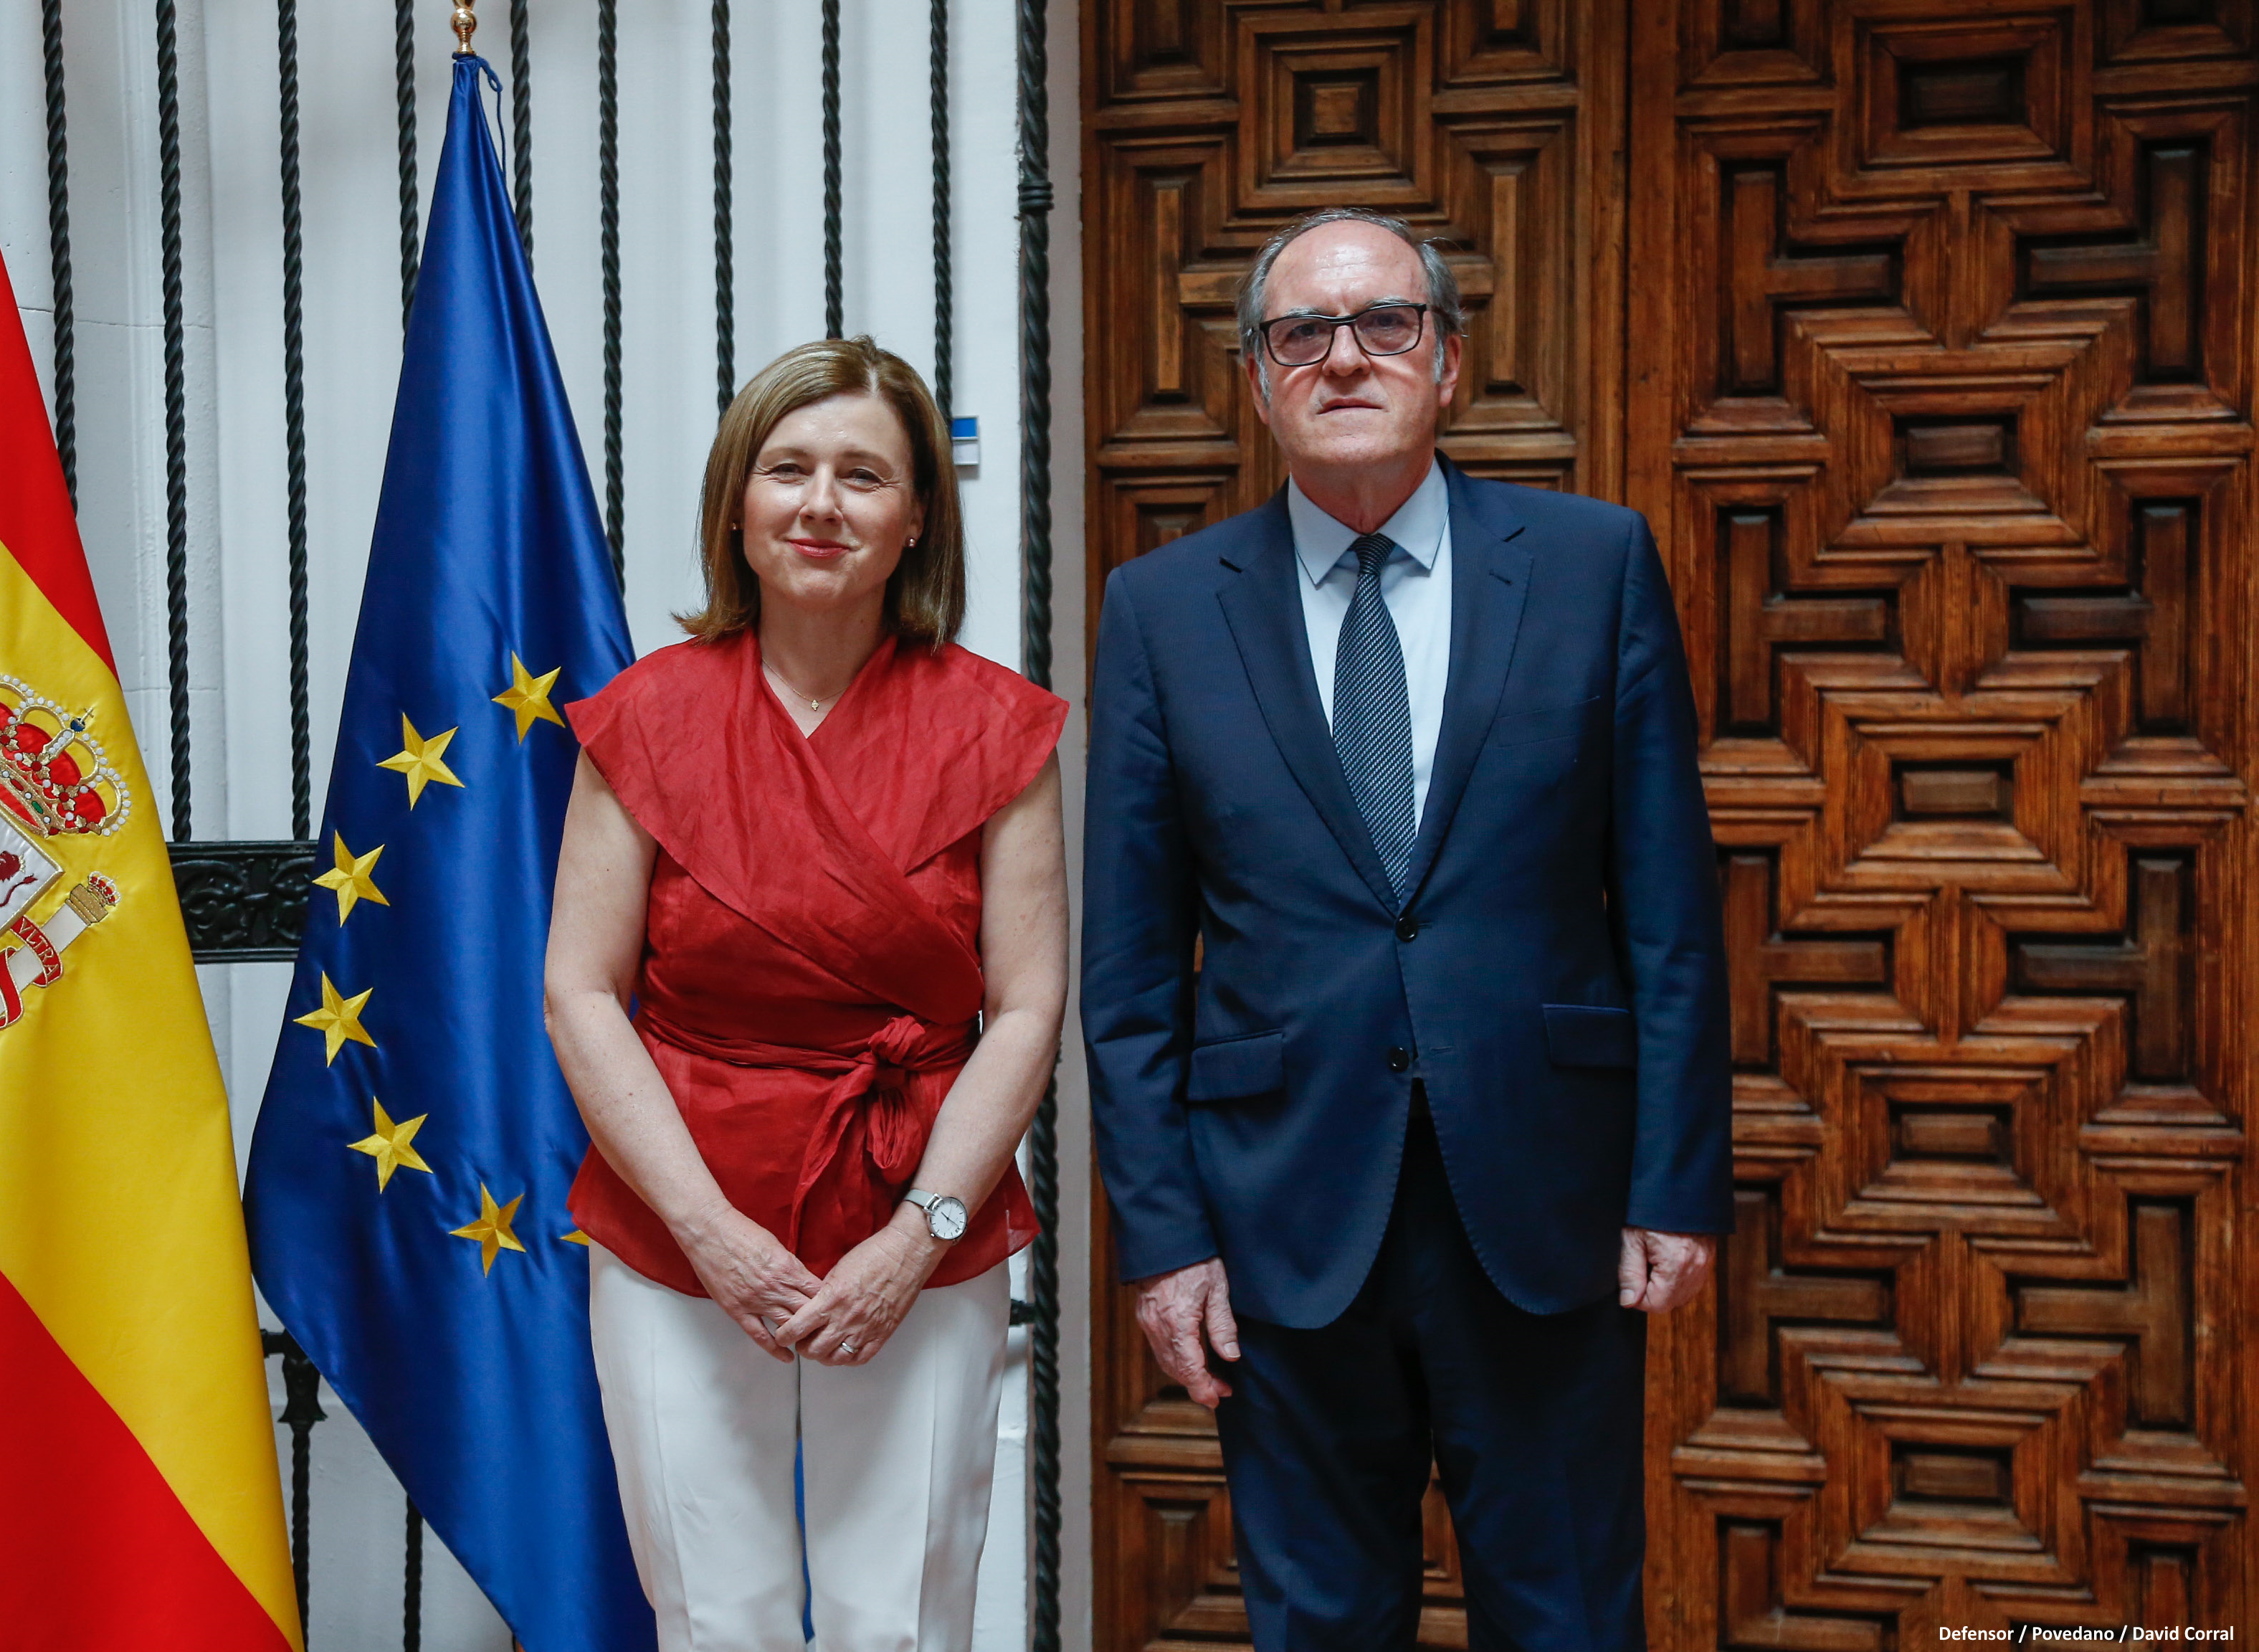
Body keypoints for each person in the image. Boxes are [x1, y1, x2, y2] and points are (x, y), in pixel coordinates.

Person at [1083, 206, 1731, 1652]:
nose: (1345, 357)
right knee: (1320, 1625)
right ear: (1258, 382)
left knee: (1567, 1616)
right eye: (1302, 333)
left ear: (1446, 362)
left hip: (1548, 1209)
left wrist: (1675, 1182)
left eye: (1386, 323)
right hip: (1282, 1222)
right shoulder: (1164, 609)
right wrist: (1164, 1241)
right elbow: (1129, 979)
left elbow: (1671, 916)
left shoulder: (1591, 564)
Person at [544, 337, 1067, 1652]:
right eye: (788, 468)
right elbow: (581, 993)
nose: (821, 503)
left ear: (914, 525)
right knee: (718, 1619)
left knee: (903, 1621)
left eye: (864, 476)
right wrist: (707, 1231)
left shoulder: (998, 727)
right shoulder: (643, 717)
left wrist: (918, 1236)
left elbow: (1027, 1007)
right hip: (678, 1228)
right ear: (737, 502)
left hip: (918, 1213)